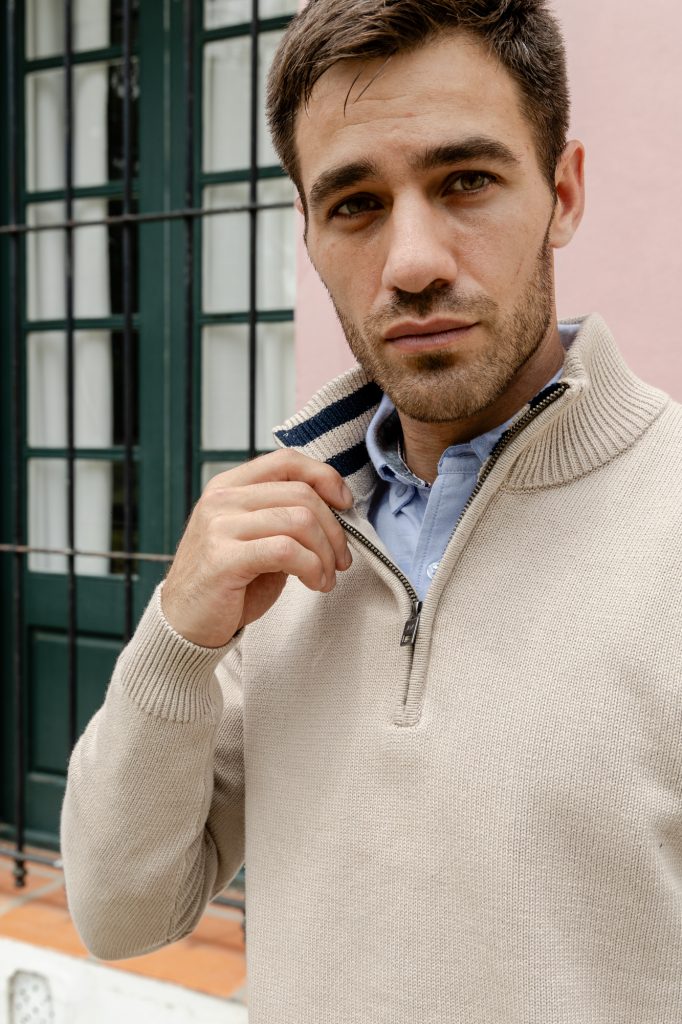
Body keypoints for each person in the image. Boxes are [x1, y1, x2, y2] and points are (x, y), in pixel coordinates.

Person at [61, 1, 682, 1020]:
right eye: (355, 203)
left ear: (563, 194)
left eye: (465, 180)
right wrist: (176, 636)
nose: (412, 262)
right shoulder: (283, 538)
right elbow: (121, 911)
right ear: (308, 233)